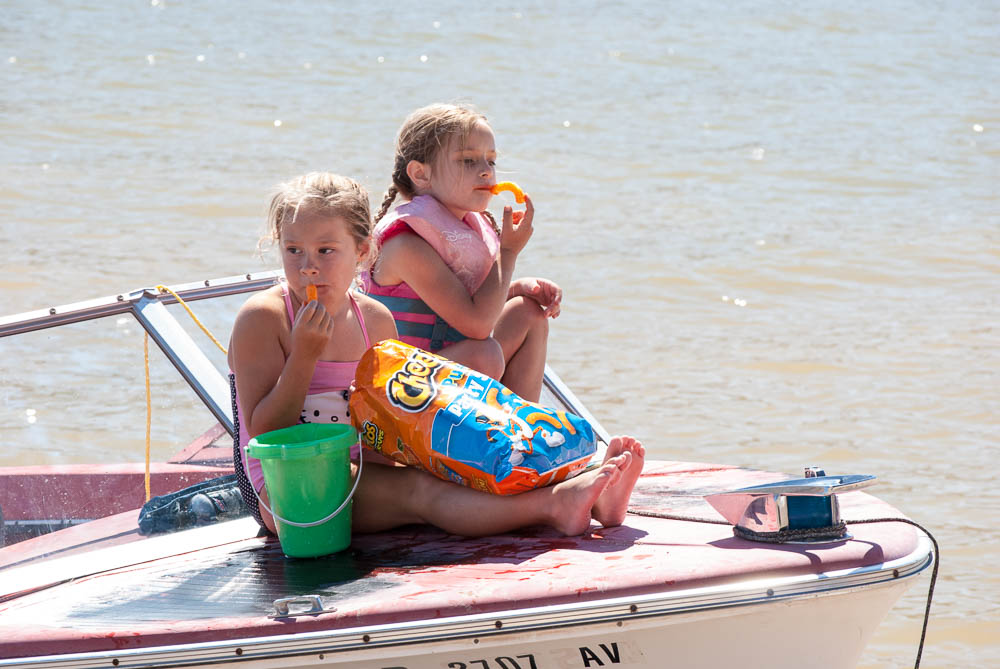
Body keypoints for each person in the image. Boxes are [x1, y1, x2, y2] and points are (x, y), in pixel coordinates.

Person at [229, 172, 645, 538]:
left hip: (361, 466)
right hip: (291, 487)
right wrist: (304, 356)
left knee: (463, 464)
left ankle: (593, 493)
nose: (308, 267)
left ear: (362, 251)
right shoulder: (264, 319)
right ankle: (554, 507)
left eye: (325, 250)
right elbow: (264, 431)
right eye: (293, 250)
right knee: (421, 493)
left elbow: (387, 421)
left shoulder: (374, 320)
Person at [367, 103, 560, 403]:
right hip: (402, 389)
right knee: (483, 354)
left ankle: (524, 425)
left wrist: (515, 289)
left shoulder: (464, 225)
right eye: (468, 160)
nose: (486, 170)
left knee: (528, 312)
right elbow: (477, 325)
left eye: (491, 160)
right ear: (420, 173)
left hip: (445, 371)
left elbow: (463, 303)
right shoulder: (405, 243)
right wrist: (508, 253)